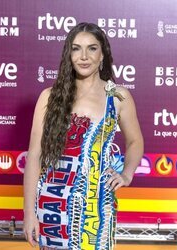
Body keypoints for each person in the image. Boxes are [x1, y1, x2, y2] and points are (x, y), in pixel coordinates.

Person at [23, 22, 144, 250]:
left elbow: (135, 141)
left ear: (102, 54)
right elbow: (34, 156)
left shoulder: (118, 97)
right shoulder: (50, 97)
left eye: (92, 48)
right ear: (69, 54)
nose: (84, 56)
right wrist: (29, 213)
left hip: (97, 205)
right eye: (76, 48)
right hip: (52, 204)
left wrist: (126, 174)